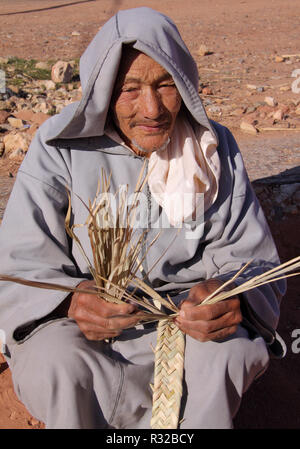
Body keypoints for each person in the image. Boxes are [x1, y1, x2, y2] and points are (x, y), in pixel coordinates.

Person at [0, 7, 286, 429]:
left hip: (186, 329)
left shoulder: (212, 146)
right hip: (87, 328)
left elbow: (254, 261)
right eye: (129, 89)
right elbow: (19, 263)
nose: (151, 108)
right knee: (55, 359)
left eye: (165, 84)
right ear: (102, 91)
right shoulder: (60, 147)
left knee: (231, 352)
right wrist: (74, 299)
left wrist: (230, 296)